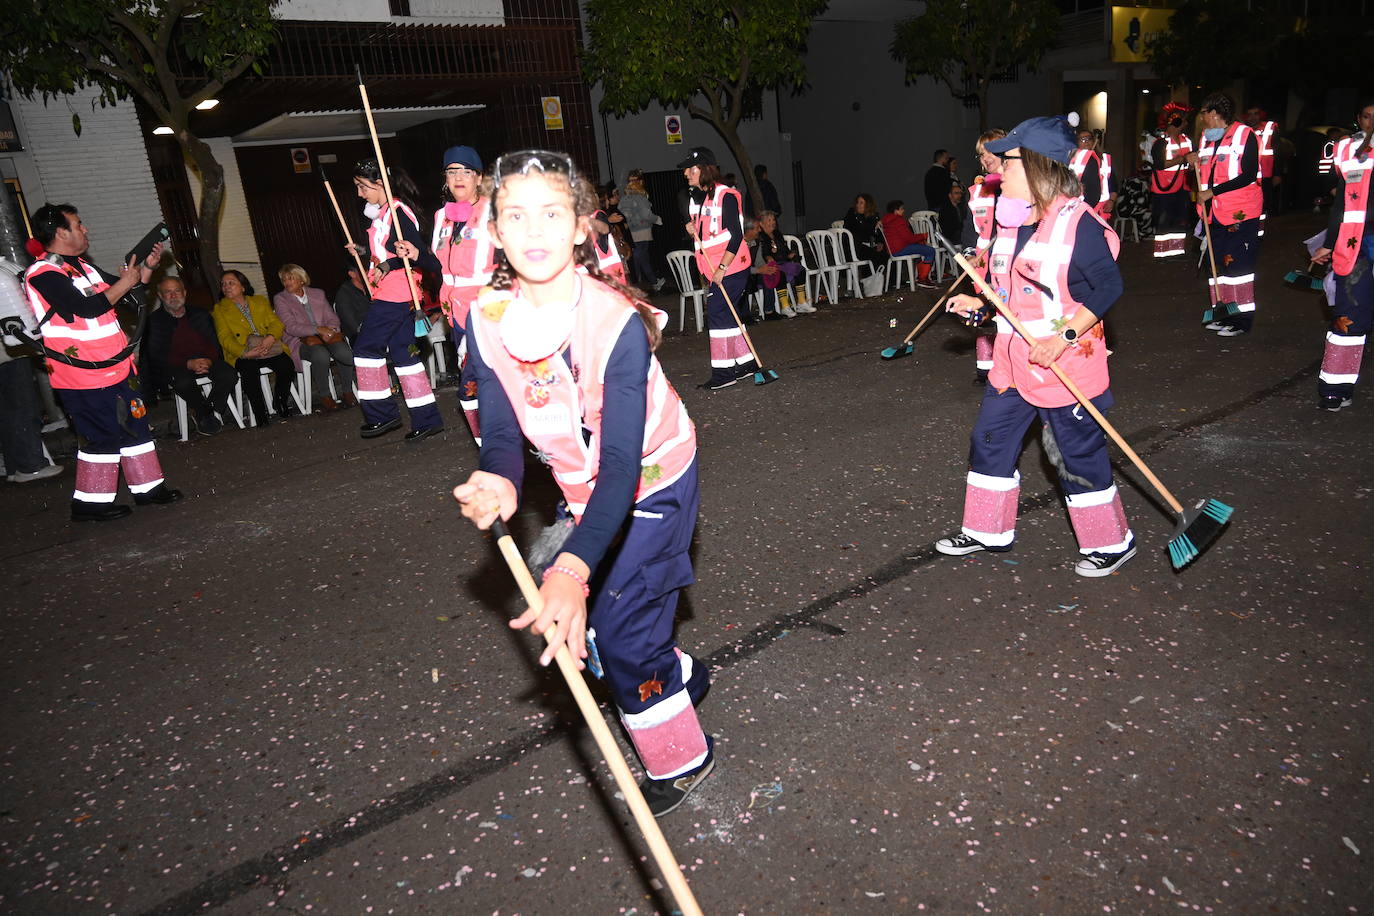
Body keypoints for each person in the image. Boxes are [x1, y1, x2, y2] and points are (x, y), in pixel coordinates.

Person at [453, 149, 714, 817]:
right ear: (495, 230)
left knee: (618, 633)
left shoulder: (616, 323)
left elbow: (621, 467)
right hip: (583, 487)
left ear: (580, 226)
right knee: (612, 622)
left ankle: (683, 760)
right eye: (516, 216)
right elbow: (505, 429)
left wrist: (569, 567)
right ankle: (677, 673)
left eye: (551, 213)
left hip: (653, 480)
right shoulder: (486, 319)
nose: (534, 231)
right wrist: (499, 477)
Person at [935, 116, 1136, 578]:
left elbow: (1108, 288)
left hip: (1064, 365)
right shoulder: (1012, 223)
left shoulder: (1078, 226)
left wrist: (1063, 337)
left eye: (1007, 164)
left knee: (1074, 456)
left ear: (1037, 167)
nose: (997, 173)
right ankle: (987, 530)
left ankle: (1111, 543)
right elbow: (1006, 294)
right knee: (989, 440)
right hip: (1012, 363)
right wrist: (978, 305)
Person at [22, 204, 181, 521]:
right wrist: (123, 283)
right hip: (82, 375)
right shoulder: (42, 274)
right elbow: (86, 308)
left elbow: (130, 293)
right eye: (78, 224)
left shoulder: (83, 267)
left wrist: (147, 268)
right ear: (60, 232)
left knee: (136, 427)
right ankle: (90, 506)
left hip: (117, 367)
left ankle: (148, 490)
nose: (85, 229)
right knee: (100, 435)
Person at [404, 145, 493, 444]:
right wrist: (416, 253)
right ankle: (487, 443)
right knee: (473, 383)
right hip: (455, 313)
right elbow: (437, 265)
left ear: (479, 178)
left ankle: (498, 442)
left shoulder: (495, 213)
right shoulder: (442, 217)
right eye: (452, 171)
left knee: (479, 381)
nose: (459, 177)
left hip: (490, 311)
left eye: (466, 171)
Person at [350, 157, 444, 441]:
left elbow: (418, 255)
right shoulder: (383, 215)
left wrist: (387, 265)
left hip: (396, 293)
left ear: (380, 183)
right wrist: (364, 254)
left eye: (362, 187)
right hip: (396, 291)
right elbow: (391, 253)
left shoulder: (398, 214)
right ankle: (427, 419)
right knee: (404, 355)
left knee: (366, 349)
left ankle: (383, 415)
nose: (359, 194)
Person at [1311, 98, 1374, 412]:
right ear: (1358, 119)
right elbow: (1342, 205)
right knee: (1349, 317)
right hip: (1356, 245)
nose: (1371, 122)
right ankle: (1335, 389)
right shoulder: (1348, 151)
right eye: (1366, 116)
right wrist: (1329, 241)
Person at [1187, 92, 1263, 337]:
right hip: (1213, 215)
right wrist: (1193, 162)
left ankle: (1241, 321)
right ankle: (1223, 312)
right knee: (1217, 266)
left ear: (1213, 113)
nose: (1202, 119)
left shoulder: (1244, 135)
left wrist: (1213, 191)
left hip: (1240, 214)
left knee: (1238, 268)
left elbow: (1249, 174)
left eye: (1203, 113)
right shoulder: (1207, 139)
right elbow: (1206, 172)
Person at [681, 146, 755, 390]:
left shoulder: (727, 196)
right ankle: (746, 365)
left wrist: (722, 268)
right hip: (713, 267)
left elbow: (736, 236)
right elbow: (703, 231)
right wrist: (691, 228)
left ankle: (723, 374)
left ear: (703, 169)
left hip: (731, 266)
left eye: (690, 169)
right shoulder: (697, 197)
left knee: (717, 313)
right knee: (726, 313)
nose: (686, 173)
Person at [147, 275, 236, 435]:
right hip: (176, 365)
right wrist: (188, 364)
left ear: (185, 293)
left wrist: (208, 360)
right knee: (182, 382)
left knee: (229, 374)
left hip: (206, 359)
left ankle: (203, 410)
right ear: (160, 296)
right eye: (168, 292)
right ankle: (205, 413)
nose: (173, 296)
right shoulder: (154, 321)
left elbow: (214, 343)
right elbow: (157, 355)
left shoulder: (200, 314)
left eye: (177, 291)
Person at [0, 255, 61, 482]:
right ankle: (30, 465)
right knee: (22, 404)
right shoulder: (4, 272)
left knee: (8, 410)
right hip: (10, 349)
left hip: (8, 346)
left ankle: (16, 466)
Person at [212, 269, 298, 427]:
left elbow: (276, 323)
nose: (226, 287)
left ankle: (280, 402)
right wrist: (245, 353)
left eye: (231, 283)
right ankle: (260, 413)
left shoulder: (259, 301)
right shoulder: (220, 309)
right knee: (249, 370)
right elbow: (224, 338)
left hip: (268, 346)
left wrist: (270, 338)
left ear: (243, 286)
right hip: (244, 352)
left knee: (286, 365)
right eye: (223, 284)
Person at [272, 263, 356, 412]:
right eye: (284, 280)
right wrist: (318, 329)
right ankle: (325, 396)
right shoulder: (281, 299)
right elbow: (291, 327)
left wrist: (330, 331)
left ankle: (347, 391)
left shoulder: (317, 294)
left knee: (343, 352)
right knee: (320, 354)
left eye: (291, 278)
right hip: (300, 340)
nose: (287, 283)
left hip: (326, 336)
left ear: (301, 279)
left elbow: (333, 318)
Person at [962, 128, 1008, 386]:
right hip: (982, 265)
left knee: (1008, 315)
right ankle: (985, 368)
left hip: (1010, 264)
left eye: (989, 151)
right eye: (980, 154)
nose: (985, 158)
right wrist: (969, 254)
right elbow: (969, 229)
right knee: (982, 313)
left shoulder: (1019, 187)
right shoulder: (977, 191)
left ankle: (1009, 366)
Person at [1150, 102, 1194, 260]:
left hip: (1182, 187)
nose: (1186, 123)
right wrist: (1183, 159)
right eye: (1183, 120)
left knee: (1180, 219)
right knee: (1164, 221)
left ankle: (1176, 251)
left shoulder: (1187, 140)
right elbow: (1160, 164)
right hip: (1164, 188)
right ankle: (1162, 253)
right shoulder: (1161, 142)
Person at [754, 210, 812, 314]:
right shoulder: (760, 237)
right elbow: (761, 255)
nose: (773, 222)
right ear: (761, 224)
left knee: (800, 270)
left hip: (783, 263)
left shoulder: (777, 234)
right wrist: (768, 257)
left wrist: (790, 254)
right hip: (770, 267)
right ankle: (785, 306)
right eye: (769, 220)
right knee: (779, 273)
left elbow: (785, 250)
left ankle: (801, 303)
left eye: (773, 220)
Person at [618, 170, 665, 292]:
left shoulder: (624, 199)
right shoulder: (641, 198)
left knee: (642, 256)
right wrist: (657, 219)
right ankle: (651, 281)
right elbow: (646, 214)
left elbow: (621, 211)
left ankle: (647, 281)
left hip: (631, 231)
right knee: (641, 255)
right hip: (642, 229)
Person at [878, 200, 937, 287]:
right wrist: (924, 235)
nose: (903, 211)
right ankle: (922, 278)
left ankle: (920, 277)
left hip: (893, 250)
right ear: (896, 211)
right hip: (901, 249)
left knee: (922, 249)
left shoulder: (887, 220)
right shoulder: (898, 220)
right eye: (901, 209)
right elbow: (909, 239)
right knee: (930, 250)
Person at [1243, 105, 1280, 226]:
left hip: (1265, 174)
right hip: (1246, 174)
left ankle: (1258, 232)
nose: (1253, 117)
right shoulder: (1241, 129)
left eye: (1256, 113)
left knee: (1262, 205)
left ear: (1261, 115)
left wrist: (1277, 173)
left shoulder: (1270, 128)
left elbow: (1277, 151)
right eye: (1250, 114)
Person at [591, 185, 629, 284]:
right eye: (607, 198)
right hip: (608, 259)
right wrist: (609, 221)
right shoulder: (599, 214)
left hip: (600, 261)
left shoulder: (592, 215)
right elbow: (605, 231)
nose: (609, 201)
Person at [842, 193, 887, 270]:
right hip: (855, 247)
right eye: (857, 202)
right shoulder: (852, 214)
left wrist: (880, 242)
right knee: (874, 255)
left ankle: (891, 280)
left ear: (868, 204)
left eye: (861, 203)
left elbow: (878, 233)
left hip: (869, 245)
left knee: (887, 254)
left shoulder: (873, 216)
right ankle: (870, 279)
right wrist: (872, 234)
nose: (858, 205)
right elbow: (857, 232)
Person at [333, 261, 371, 345]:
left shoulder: (373, 286)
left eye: (369, 270)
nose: (368, 273)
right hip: (360, 336)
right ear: (352, 274)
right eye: (364, 271)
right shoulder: (344, 294)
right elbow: (353, 325)